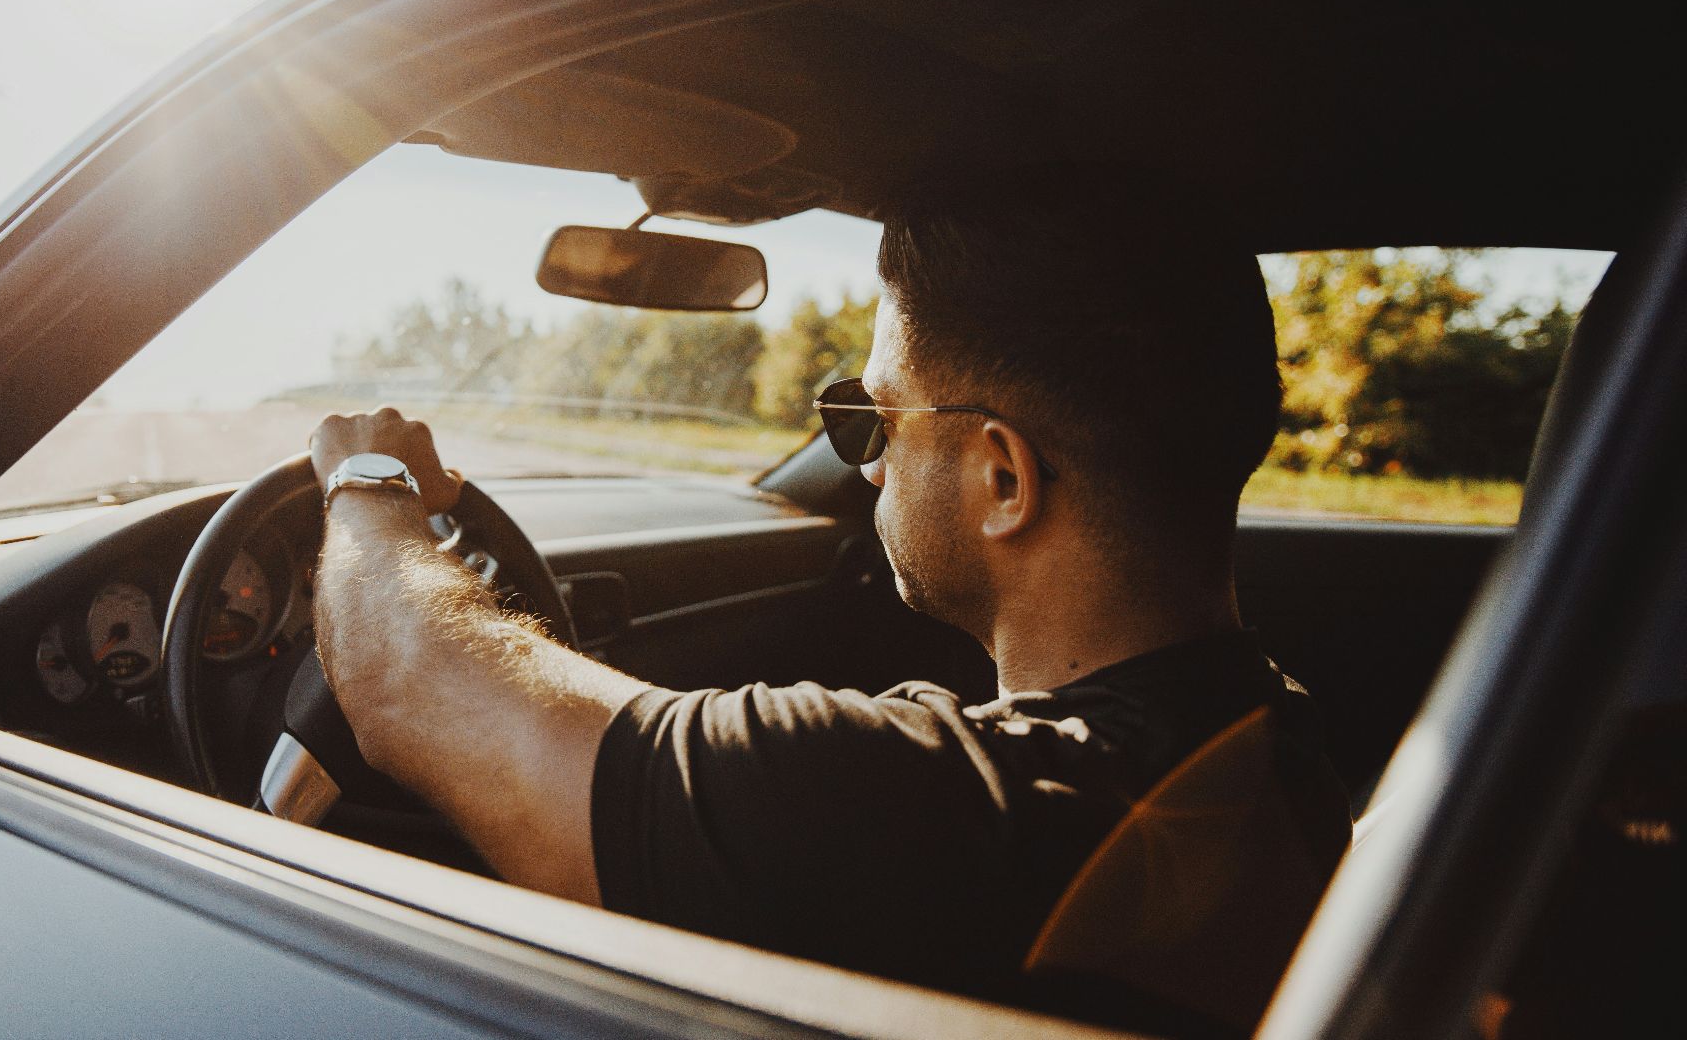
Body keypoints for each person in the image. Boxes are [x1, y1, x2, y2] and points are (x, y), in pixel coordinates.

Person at [307, 171, 1352, 1020]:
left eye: (873, 416)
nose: (864, 464)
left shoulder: (925, 810)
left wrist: (367, 486)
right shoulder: (1278, 742)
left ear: (1001, 479)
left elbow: (405, 684)